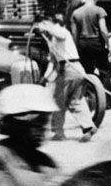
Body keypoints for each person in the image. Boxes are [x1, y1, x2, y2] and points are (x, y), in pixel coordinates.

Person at [34, 13, 98, 142]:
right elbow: (53, 61)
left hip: (70, 69)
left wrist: (46, 28)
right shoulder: (52, 39)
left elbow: (61, 35)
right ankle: (89, 127)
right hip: (74, 70)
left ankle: (58, 132)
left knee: (58, 102)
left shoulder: (60, 31)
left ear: (46, 23)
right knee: (75, 100)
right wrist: (44, 78)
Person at [70, 0, 110, 85]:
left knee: (87, 71)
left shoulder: (76, 13)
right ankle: (106, 93)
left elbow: (75, 34)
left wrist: (75, 49)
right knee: (104, 70)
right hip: (96, 42)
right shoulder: (99, 10)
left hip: (82, 43)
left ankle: (90, 91)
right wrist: (109, 45)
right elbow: (103, 30)